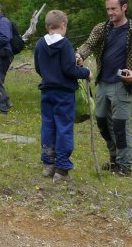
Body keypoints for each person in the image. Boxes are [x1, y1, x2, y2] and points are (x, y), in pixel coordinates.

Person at [75, 0, 132, 177]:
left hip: (122, 85)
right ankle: (114, 158)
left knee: (120, 125)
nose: (110, 12)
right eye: (108, 9)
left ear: (124, 7)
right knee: (101, 120)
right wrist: (80, 55)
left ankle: (125, 166)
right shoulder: (102, 28)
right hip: (103, 82)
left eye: (113, 9)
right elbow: (89, 44)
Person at [33, 10, 91, 183]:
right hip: (64, 93)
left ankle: (48, 164)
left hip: (47, 91)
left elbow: (38, 68)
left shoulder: (40, 44)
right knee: (64, 127)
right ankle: (62, 169)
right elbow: (69, 70)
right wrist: (86, 72)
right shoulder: (65, 44)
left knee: (48, 126)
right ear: (63, 25)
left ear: (47, 26)